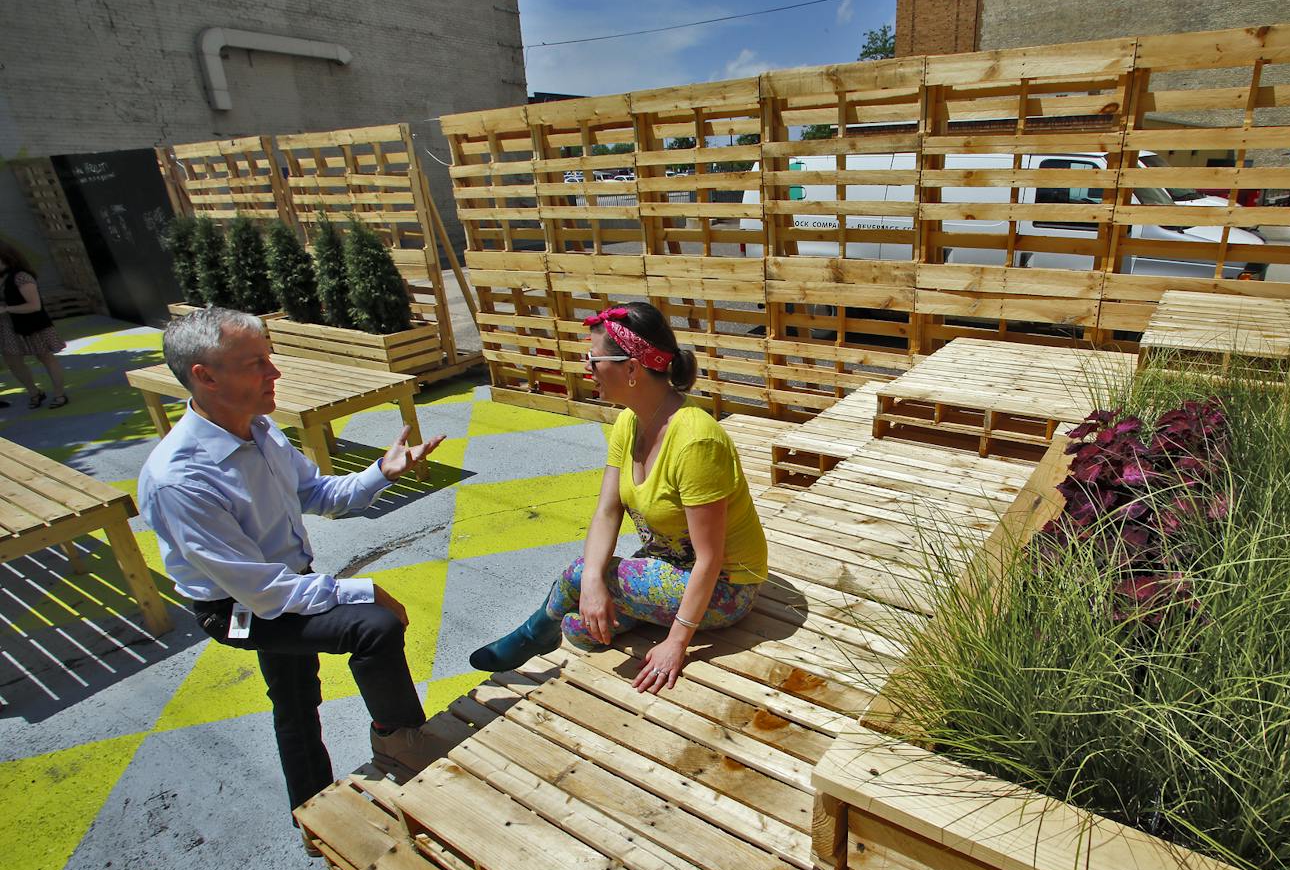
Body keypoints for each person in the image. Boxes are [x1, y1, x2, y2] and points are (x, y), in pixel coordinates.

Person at [138, 307, 449, 834]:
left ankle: (311, 815)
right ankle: (399, 742)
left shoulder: (261, 430)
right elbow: (261, 594)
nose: (275, 372)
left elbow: (316, 493)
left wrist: (380, 473)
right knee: (372, 625)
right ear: (205, 376)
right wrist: (361, 589)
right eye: (256, 362)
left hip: (289, 584)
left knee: (294, 701)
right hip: (236, 611)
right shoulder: (179, 480)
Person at [470, 301, 768, 695]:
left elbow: (710, 558)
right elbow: (607, 512)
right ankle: (565, 621)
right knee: (580, 629)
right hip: (668, 565)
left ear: (631, 368)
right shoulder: (629, 421)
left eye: (593, 359)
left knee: (577, 576)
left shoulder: (697, 441)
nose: (587, 368)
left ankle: (534, 633)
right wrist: (596, 582)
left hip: (724, 587)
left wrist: (676, 643)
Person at [0, 242, 68, 409]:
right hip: (7, 327)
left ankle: (59, 394)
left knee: (45, 357)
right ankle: (34, 392)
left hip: (32, 324)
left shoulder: (21, 276)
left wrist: (6, 309)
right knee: (12, 361)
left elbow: (34, 305)